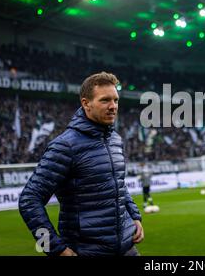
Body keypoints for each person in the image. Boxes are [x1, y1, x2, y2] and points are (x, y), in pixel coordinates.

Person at [19, 72, 144, 256]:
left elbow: (118, 184)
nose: (113, 106)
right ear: (86, 103)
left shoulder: (115, 140)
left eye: (116, 100)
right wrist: (53, 248)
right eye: (105, 100)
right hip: (87, 251)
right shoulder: (65, 146)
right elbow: (29, 200)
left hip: (126, 248)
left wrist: (134, 215)